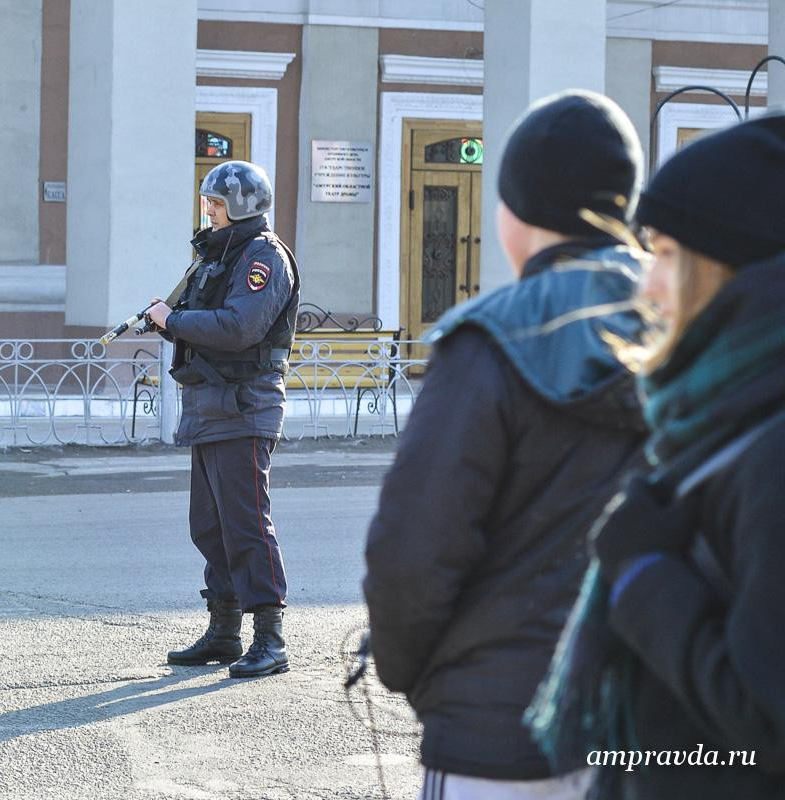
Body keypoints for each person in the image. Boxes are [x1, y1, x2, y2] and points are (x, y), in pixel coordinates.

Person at [362, 90, 648, 798]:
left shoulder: (484, 343)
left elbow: (412, 552)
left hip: (494, 733)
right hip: (653, 728)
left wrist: (416, 676)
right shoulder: (696, 334)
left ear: (515, 214)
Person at [529, 114, 785, 798]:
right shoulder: (721, 413)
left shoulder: (770, 454)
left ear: (733, 274)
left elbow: (770, 720)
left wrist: (643, 574)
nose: (646, 287)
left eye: (666, 255)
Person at [144, 160, 300, 679]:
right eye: (208, 202)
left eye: (215, 204)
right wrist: (168, 321)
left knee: (247, 525)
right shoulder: (218, 255)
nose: (207, 211)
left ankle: (270, 639)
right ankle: (225, 632)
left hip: (245, 406)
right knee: (210, 527)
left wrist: (175, 321)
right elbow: (200, 322)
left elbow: (239, 327)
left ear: (240, 206)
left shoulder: (263, 257)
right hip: (210, 407)